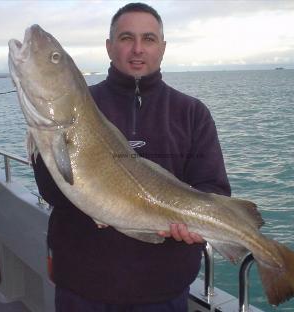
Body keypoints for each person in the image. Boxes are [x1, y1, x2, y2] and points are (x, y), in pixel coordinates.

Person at [32, 2, 231, 311]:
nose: (137, 49)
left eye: (148, 39)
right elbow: (52, 192)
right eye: (126, 38)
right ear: (110, 47)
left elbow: (214, 190)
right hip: (82, 287)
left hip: (163, 291)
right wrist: (42, 133)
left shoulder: (192, 113)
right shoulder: (79, 105)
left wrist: (191, 226)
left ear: (162, 48)